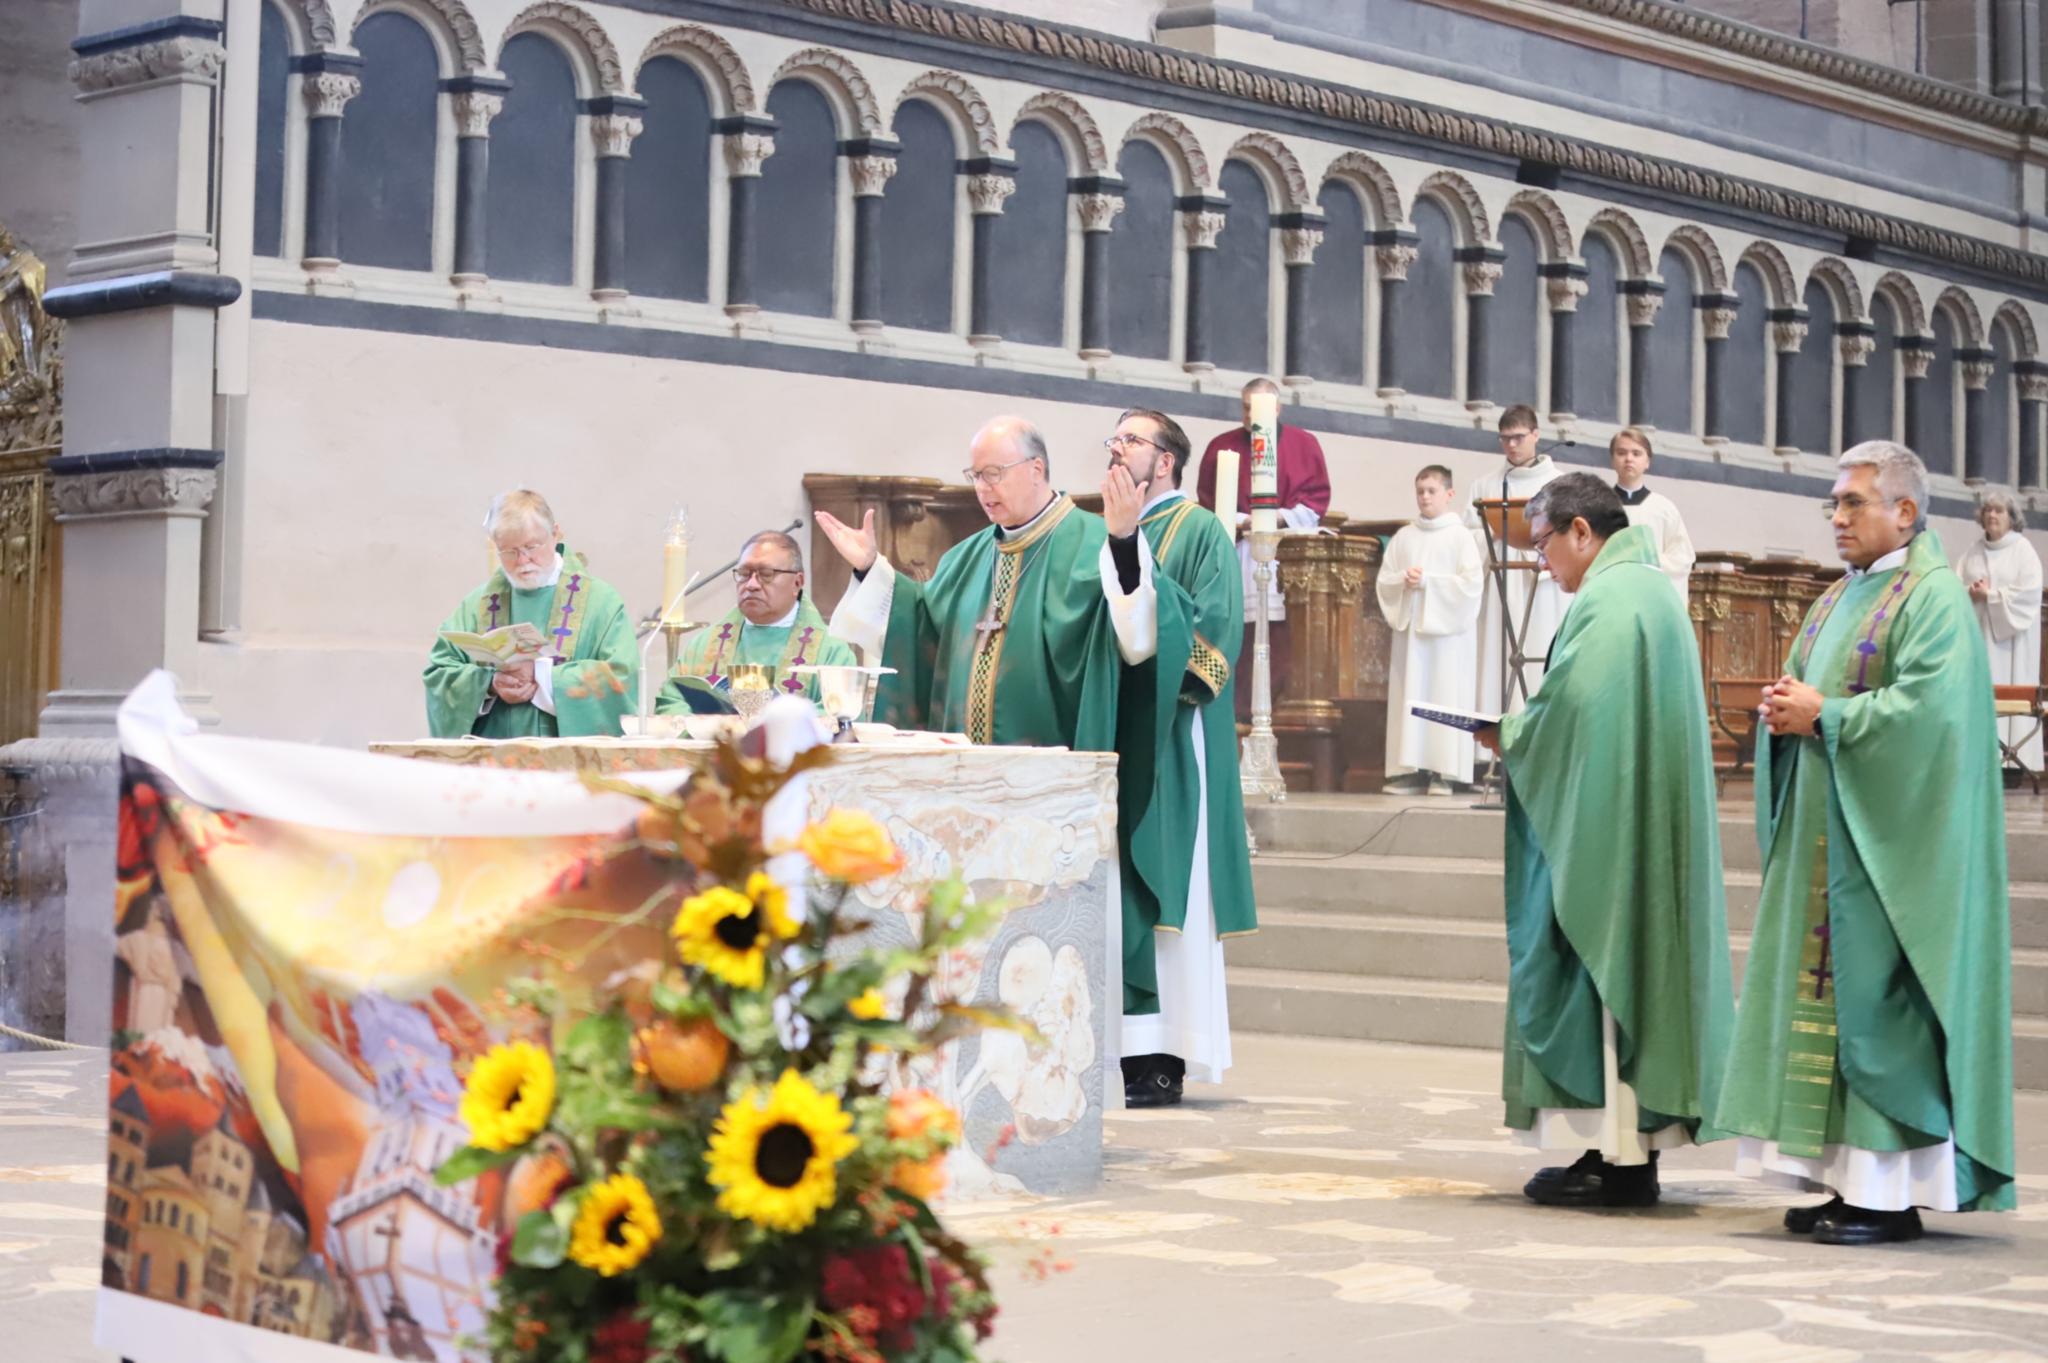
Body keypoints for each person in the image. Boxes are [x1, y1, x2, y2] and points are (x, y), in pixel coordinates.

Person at [818, 416, 1194, 1088]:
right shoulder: (967, 558)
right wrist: (870, 571)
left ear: (1037, 471)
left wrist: (1126, 540)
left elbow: (1143, 636)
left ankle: (1053, 1075)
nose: (985, 489)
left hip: (1051, 795)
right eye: (976, 476)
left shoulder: (1088, 541)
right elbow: (920, 630)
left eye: (995, 473)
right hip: (966, 797)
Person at [1719, 442, 2015, 1243]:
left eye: (1853, 502)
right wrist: (1783, 711)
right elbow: (1803, 690)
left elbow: (1932, 718)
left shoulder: (1935, 600)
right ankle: (1844, 1178)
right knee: (1822, 1007)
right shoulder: (1833, 599)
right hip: (1826, 835)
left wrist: (1831, 716)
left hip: (1893, 849)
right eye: (1835, 504)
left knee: (1880, 1008)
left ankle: (1886, 1193)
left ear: (1905, 512)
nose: (1838, 518)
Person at [1477, 472, 1733, 1208]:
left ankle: (1624, 1160)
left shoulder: (1613, 600)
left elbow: (1574, 711)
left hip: (1615, 832)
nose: (1537, 561)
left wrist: (1511, 735)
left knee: (1608, 972)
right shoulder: (1648, 590)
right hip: (1637, 817)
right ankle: (1617, 1148)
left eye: (1542, 544)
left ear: (1582, 531)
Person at [1105, 406, 1255, 1107]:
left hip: (1171, 733)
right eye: (1113, 440)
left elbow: (1214, 643)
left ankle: (1163, 1053)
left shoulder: (1199, 531)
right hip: (1112, 728)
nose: (1115, 448)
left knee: (1169, 888)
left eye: (1129, 440)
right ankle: (1120, 1042)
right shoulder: (1103, 529)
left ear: (1164, 461)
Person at [423, 490, 636, 738]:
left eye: (531, 546)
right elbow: (439, 673)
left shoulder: (602, 603)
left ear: (555, 533)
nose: (523, 560)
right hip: (494, 766)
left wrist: (542, 677)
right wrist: (489, 685)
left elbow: (621, 678)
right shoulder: (477, 604)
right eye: (509, 551)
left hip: (568, 766)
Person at [1193, 377, 1332, 719]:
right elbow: (1210, 502)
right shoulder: (1221, 448)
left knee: (1280, 639)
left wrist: (1275, 519)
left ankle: (1277, 716)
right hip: (1239, 553)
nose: (1248, 416)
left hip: (1287, 557)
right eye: (1244, 408)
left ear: (1278, 408)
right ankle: (1235, 718)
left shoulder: (1304, 444)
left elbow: (1315, 500)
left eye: (1256, 408)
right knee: (1240, 636)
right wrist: (1243, 520)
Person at [657, 530, 857, 712]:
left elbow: (840, 717)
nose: (751, 585)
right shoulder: (704, 646)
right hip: (717, 751)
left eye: (766, 575)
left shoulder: (831, 652)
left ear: (797, 582)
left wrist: (775, 727)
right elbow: (671, 700)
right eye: (744, 574)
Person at [1376, 465, 1485, 795]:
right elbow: (1385, 580)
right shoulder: (1405, 536)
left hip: (1448, 641)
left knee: (1445, 696)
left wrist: (1428, 584)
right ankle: (1409, 771)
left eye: (1431, 490)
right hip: (1412, 639)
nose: (1424, 497)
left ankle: (1444, 772)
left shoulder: (1460, 536)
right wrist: (1403, 582)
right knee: (1411, 696)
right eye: (1420, 490)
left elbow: (1471, 586)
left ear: (1449, 495)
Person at [1465, 404, 1565, 716]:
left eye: (1518, 437)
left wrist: (1532, 540)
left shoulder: (1560, 485)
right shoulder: (1486, 485)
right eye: (1505, 439)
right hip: (1499, 587)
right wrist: (1494, 533)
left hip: (1543, 587)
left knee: (1540, 656)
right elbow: (1467, 539)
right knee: (1498, 661)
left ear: (1536, 435)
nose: (1511, 445)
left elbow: (1567, 536)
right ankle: (1496, 747)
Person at [1957, 488, 2043, 772]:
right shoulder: (1973, 551)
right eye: (1988, 510)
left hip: (2011, 643)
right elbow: (1955, 588)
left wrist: (1991, 596)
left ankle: (2012, 765)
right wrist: (1969, 591)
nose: (1992, 515)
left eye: (1999, 510)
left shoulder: (2023, 551)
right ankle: (1979, 760)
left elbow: (2029, 594)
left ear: (2012, 518)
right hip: (1978, 637)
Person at [1609, 426, 1696, 603]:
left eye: (1636, 453)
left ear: (1647, 462)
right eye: (1621, 453)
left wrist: (1648, 560)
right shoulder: (1599, 505)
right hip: (1611, 594)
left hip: (1651, 597)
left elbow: (1682, 558)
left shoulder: (1663, 508)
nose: (1628, 459)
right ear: (1612, 460)